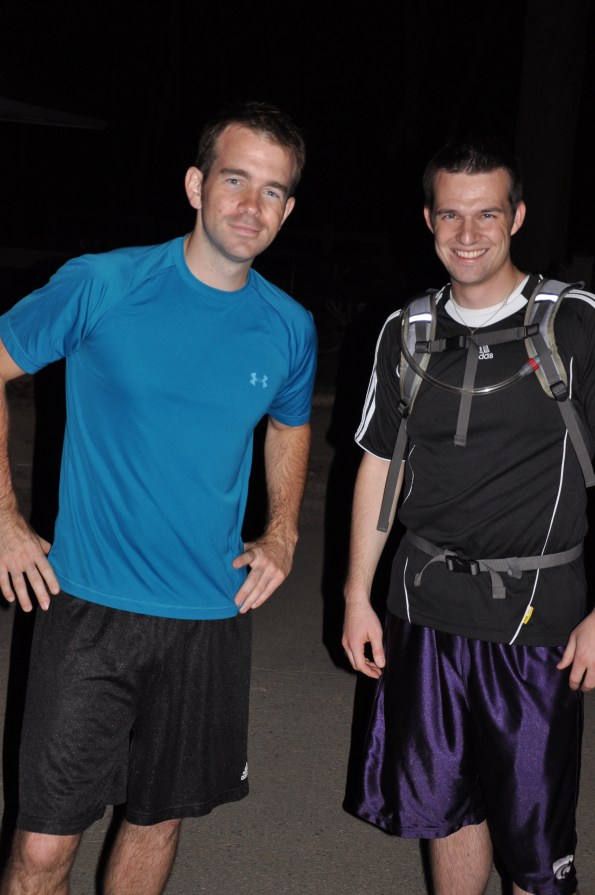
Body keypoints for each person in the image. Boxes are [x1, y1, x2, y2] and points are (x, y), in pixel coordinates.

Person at [0, 100, 317, 894]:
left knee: (158, 820)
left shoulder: (288, 326)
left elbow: (289, 424)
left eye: (272, 190)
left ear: (287, 210)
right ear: (195, 185)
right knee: (42, 849)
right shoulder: (104, 282)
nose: (251, 205)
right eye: (235, 180)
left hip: (210, 615)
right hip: (89, 608)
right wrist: (4, 519)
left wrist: (282, 531)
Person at [342, 137, 595, 895]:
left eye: (487, 213)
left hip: (537, 622)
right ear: (428, 219)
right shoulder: (406, 330)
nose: (468, 233)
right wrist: (356, 594)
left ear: (516, 216)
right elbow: (379, 465)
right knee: (444, 808)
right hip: (423, 610)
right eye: (450, 214)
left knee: (533, 847)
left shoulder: (576, 323)